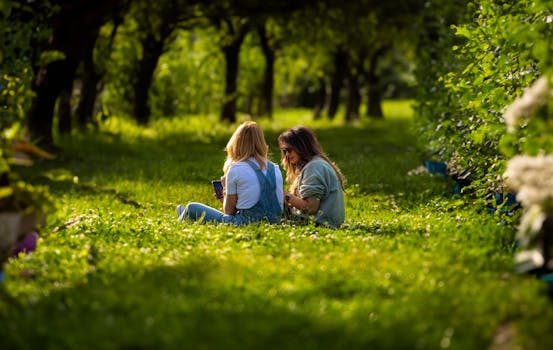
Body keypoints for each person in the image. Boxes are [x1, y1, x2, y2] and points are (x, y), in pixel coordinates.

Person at [176, 121, 284, 225]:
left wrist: (225, 189)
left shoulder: (236, 169)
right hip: (274, 222)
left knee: (192, 207)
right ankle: (185, 215)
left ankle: (185, 215)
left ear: (236, 143)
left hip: (246, 223)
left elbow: (228, 212)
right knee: (192, 210)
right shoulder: (275, 168)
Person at [278, 126, 345, 228]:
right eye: (284, 151)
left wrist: (286, 196)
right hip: (325, 222)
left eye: (289, 149)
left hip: (320, 224)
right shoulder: (317, 163)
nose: (287, 154)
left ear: (301, 146)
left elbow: (311, 207)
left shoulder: (314, 167)